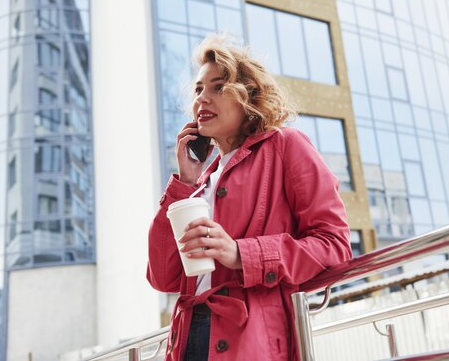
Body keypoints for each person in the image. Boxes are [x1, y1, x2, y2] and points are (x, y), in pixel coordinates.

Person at [147, 34, 352, 361]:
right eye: (199, 89)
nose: (202, 98)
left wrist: (243, 254)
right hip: (188, 338)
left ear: (248, 96)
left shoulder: (287, 146)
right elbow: (163, 276)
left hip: (251, 340)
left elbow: (335, 246)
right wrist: (184, 183)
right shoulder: (201, 179)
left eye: (218, 87)